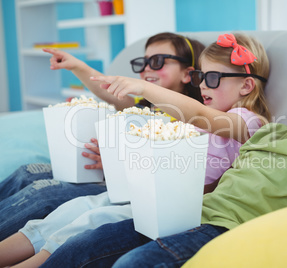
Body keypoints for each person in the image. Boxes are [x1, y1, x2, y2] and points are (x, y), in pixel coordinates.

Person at [30, 2, 287, 267]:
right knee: (84, 244)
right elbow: (213, 160)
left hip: (227, 230)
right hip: (188, 213)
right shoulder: (270, 132)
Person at [0, 32, 271, 267]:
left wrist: (144, 88)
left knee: (89, 220)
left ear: (246, 85)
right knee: (72, 210)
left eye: (212, 78)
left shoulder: (248, 122)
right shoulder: (196, 117)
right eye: (201, 77)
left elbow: (200, 116)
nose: (201, 86)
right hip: (142, 190)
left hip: (170, 205)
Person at [0, 32, 205, 241]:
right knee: (27, 172)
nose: (146, 69)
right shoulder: (142, 108)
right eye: (143, 62)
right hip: (99, 176)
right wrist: (76, 66)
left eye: (158, 61)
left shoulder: (188, 119)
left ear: (187, 74)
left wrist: (113, 163)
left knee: (42, 194)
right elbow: (107, 90)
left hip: (119, 190)